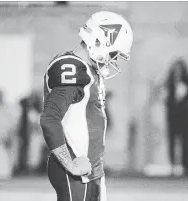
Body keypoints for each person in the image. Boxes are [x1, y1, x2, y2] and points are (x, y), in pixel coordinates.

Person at [40, 11, 133, 201]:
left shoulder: (87, 69)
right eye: (114, 53)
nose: (113, 60)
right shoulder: (72, 67)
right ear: (99, 41)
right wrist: (70, 163)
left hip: (90, 170)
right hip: (75, 167)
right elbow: (49, 119)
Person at [166, 59, 188, 175]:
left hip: (184, 117)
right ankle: (173, 165)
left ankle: (184, 165)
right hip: (172, 116)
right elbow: (166, 99)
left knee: (184, 141)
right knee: (172, 141)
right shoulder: (169, 84)